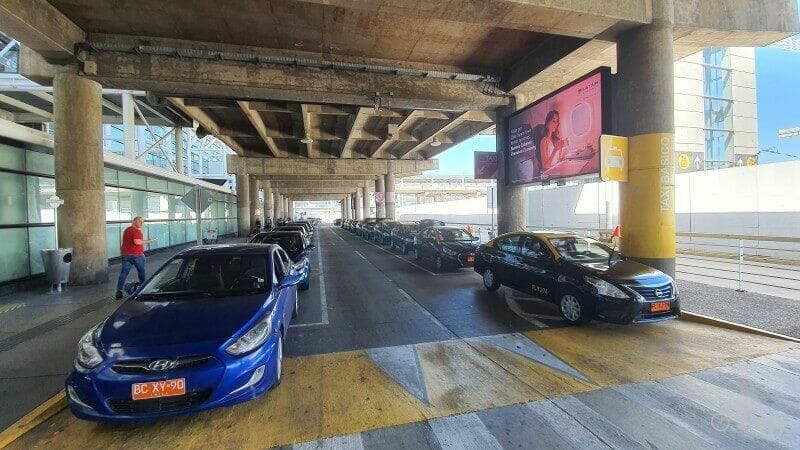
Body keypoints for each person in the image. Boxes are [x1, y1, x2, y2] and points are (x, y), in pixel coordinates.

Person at [116, 216, 156, 299]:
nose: (142, 223)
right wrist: (149, 241)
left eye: (143, 222)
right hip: (137, 255)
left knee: (124, 273)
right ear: (134, 221)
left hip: (126, 255)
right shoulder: (136, 231)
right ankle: (143, 288)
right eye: (140, 221)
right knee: (141, 271)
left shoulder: (127, 230)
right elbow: (137, 242)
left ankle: (119, 291)